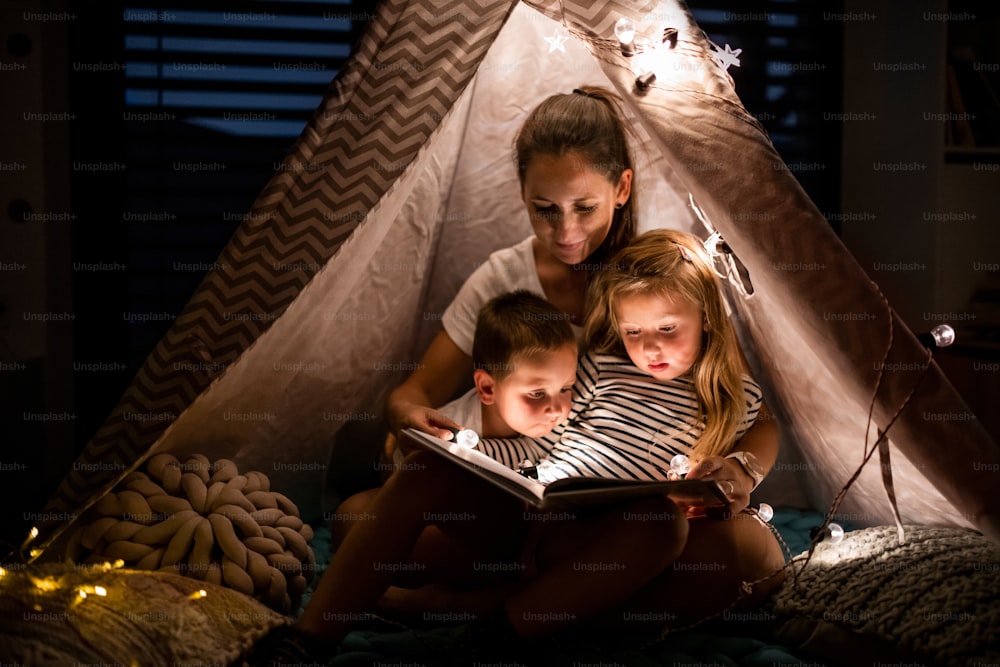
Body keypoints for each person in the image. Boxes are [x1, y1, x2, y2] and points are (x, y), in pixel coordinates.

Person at [329, 289, 578, 546]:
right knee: (353, 516)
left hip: (505, 531)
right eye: (537, 393)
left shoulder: (558, 428)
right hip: (439, 516)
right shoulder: (450, 434)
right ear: (488, 389)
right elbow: (404, 491)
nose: (557, 408)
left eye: (565, 388)